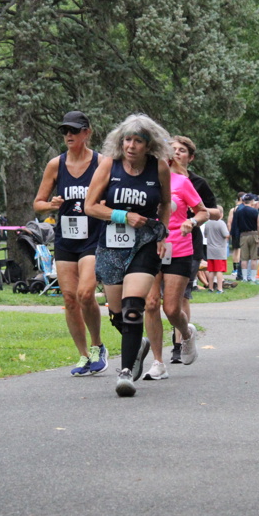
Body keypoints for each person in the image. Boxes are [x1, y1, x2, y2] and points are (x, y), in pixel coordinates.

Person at [85, 114, 171, 397]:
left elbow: (166, 203)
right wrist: (123, 215)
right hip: (112, 243)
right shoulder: (109, 165)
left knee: (133, 306)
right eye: (127, 140)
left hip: (146, 241)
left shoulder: (159, 167)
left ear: (149, 145)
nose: (131, 146)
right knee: (117, 313)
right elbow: (90, 206)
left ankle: (125, 372)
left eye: (138, 141)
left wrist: (163, 232)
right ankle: (138, 345)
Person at [33, 110, 108, 377]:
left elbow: (114, 197)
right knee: (69, 298)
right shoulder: (56, 164)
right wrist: (51, 204)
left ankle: (98, 346)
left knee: (85, 294)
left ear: (87, 133)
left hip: (94, 237)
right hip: (66, 238)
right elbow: (38, 204)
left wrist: (103, 204)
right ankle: (83, 355)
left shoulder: (102, 163)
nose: (68, 135)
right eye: (65, 131)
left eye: (74, 130)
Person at [142, 137, 207, 380]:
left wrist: (192, 222)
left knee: (171, 309)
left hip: (178, 248)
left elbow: (203, 212)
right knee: (151, 304)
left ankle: (186, 333)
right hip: (149, 247)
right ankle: (158, 362)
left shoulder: (182, 182)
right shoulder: (142, 182)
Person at [168, 134, 220, 363]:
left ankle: (180, 343)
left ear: (190, 157)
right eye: (173, 149)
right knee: (159, 299)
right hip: (162, 242)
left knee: (182, 296)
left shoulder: (196, 183)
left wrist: (192, 214)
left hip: (188, 241)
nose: (176, 153)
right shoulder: (159, 179)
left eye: (182, 150)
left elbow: (214, 211)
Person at [204, 208, 229, 293]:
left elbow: (205, 235)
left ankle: (210, 288)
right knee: (219, 270)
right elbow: (226, 234)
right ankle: (219, 288)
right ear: (220, 213)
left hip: (210, 249)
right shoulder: (221, 223)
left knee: (211, 270)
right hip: (220, 250)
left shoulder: (207, 223)